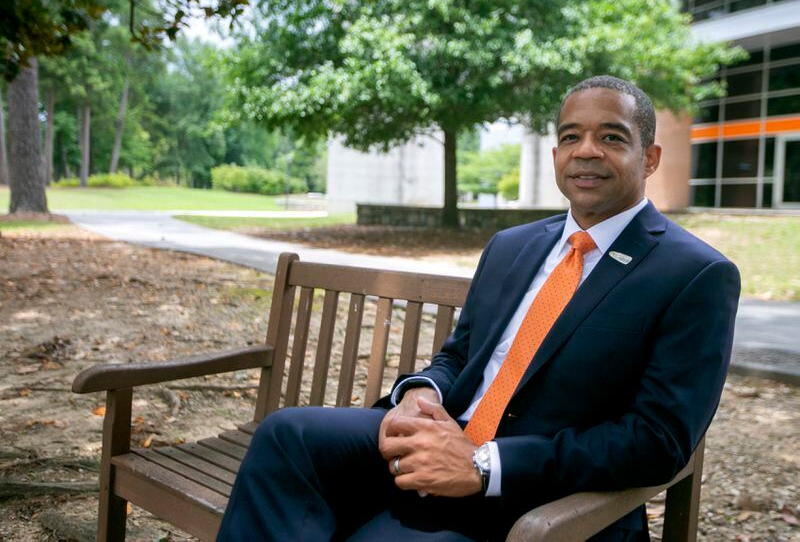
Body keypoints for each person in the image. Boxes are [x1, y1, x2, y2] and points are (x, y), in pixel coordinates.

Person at [216, 76, 740, 541]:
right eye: (570, 137)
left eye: (611, 137)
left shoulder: (693, 274)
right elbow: (460, 354)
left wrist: (483, 464)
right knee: (286, 436)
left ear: (649, 157)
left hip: (532, 488)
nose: (586, 151)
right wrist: (420, 395)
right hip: (447, 429)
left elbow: (658, 441)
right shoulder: (512, 246)